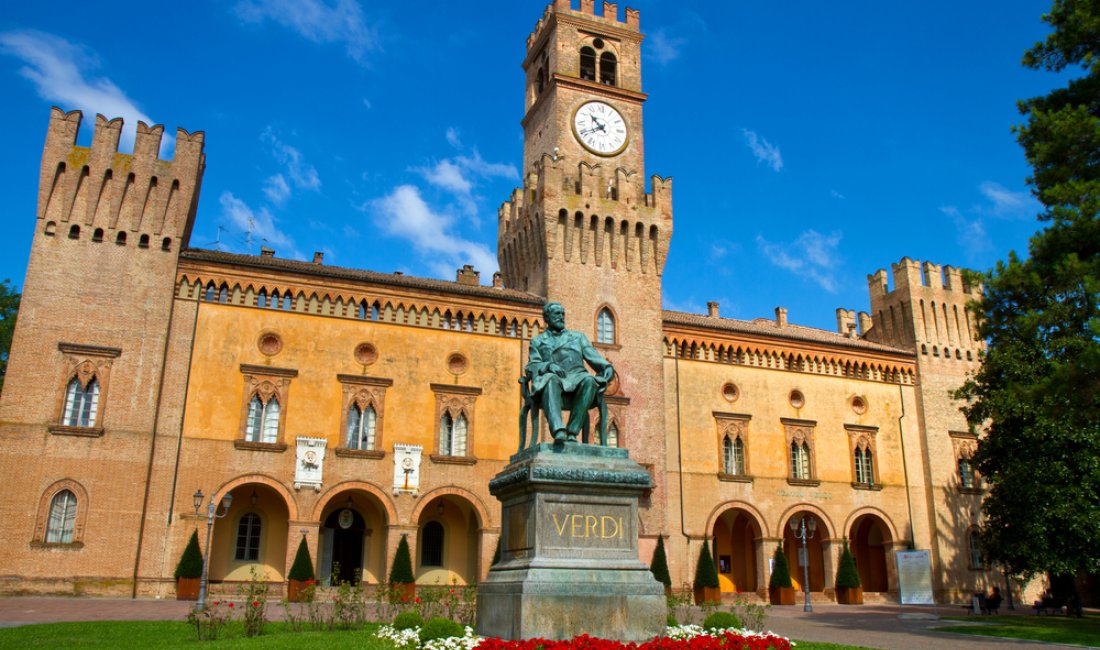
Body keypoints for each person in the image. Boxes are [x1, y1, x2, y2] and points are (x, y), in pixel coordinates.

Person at [526, 302, 614, 443]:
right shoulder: (538, 341)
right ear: (547, 318)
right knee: (550, 380)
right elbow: (531, 366)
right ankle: (558, 430)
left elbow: (594, 357)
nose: (561, 317)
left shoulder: (578, 337)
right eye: (557, 314)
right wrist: (548, 366)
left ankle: (572, 431)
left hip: (577, 377)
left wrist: (607, 368)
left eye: (562, 314)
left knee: (590, 380)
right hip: (554, 380)